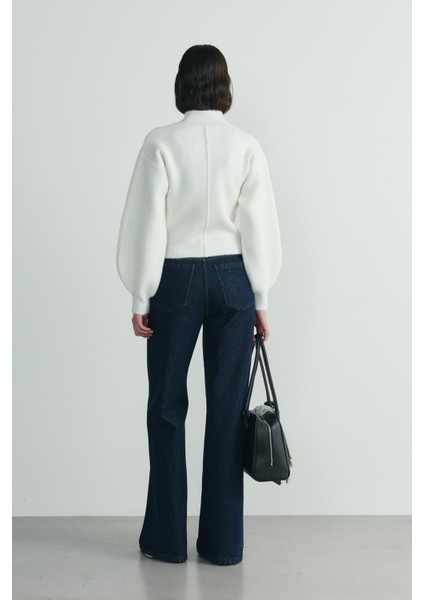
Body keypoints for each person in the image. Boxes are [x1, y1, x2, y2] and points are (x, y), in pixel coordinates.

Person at [116, 44, 282, 566]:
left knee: (166, 406)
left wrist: (140, 292)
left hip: (176, 279)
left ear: (182, 84)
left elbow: (147, 222)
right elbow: (259, 225)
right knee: (227, 411)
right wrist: (261, 296)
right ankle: (223, 544)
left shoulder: (160, 142)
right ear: (225, 85)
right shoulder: (246, 145)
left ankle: (166, 541)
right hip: (234, 281)